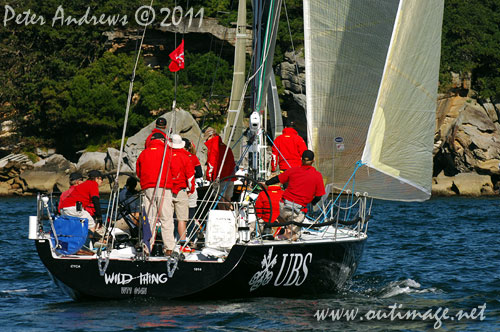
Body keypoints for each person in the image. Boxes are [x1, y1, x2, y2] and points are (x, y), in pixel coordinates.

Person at [263, 150, 325, 240]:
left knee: (281, 221)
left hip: (284, 206)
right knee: (295, 235)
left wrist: (266, 183)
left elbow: (277, 178)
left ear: (301, 160)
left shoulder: (293, 171)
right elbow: (319, 196)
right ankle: (283, 233)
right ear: (313, 160)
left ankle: (272, 231)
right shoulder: (317, 176)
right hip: (298, 210)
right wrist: (313, 202)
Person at [136, 132, 175, 256]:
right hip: (164, 186)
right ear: (163, 141)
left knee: (149, 218)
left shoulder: (143, 153)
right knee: (166, 217)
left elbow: (138, 171)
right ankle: (169, 248)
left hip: (147, 187)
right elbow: (173, 168)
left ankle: (147, 247)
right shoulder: (166, 152)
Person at [167, 135, 195, 252]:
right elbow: (190, 176)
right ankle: (183, 244)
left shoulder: (166, 155)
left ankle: (168, 244)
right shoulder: (186, 157)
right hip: (181, 190)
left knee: (166, 218)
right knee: (182, 219)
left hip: (167, 189)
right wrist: (191, 189)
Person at [59, 170, 104, 235]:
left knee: (80, 223)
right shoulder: (93, 184)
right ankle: (91, 242)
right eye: (101, 179)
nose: (102, 182)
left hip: (63, 209)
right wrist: (99, 217)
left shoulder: (85, 184)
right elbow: (95, 201)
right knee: (91, 223)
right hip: (73, 208)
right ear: (97, 178)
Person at [204, 127, 236, 202]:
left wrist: (209, 177)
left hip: (220, 177)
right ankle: (230, 212)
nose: (206, 140)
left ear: (211, 136)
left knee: (219, 200)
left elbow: (211, 164)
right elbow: (232, 163)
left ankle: (224, 213)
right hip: (230, 177)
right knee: (228, 199)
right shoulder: (226, 147)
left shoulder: (213, 147)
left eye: (207, 138)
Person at [182, 137, 203, 242]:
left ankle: (178, 239)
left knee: (177, 217)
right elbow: (199, 174)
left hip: (178, 190)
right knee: (191, 216)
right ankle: (191, 238)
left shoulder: (174, 156)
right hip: (191, 189)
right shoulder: (193, 157)